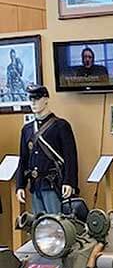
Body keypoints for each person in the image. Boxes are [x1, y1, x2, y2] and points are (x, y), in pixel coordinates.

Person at [16, 85, 78, 214]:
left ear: (46, 99)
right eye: (31, 98)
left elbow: (70, 157)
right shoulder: (27, 129)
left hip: (53, 184)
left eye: (37, 98)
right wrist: (20, 185)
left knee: (57, 224)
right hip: (35, 185)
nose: (33, 102)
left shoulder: (60, 126)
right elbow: (23, 159)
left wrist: (69, 182)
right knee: (40, 227)